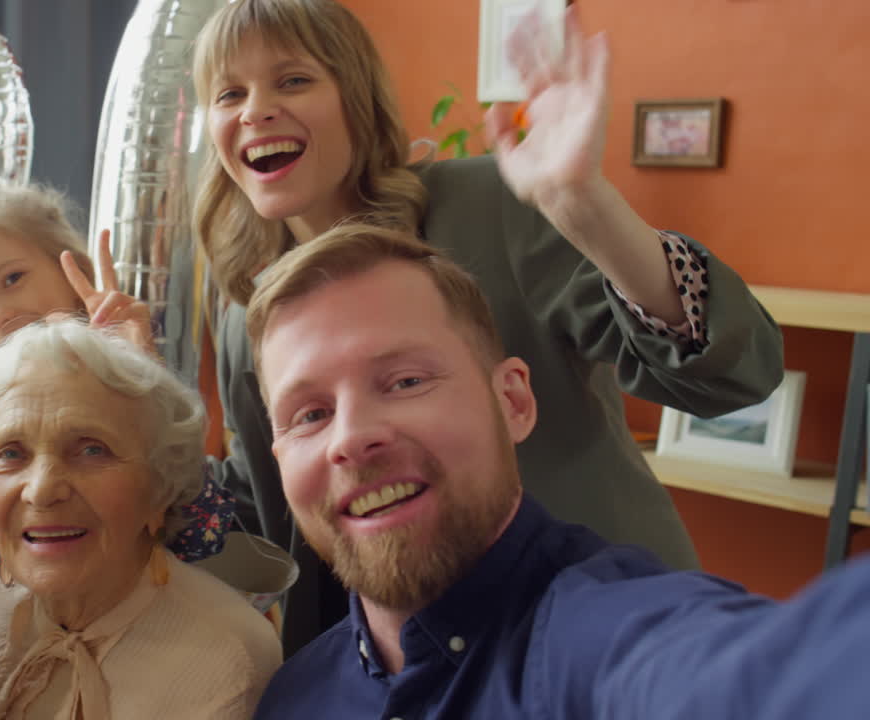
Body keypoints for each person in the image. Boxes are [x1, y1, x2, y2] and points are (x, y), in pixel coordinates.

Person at [190, 0, 784, 653]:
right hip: (391, 667)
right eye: (229, 94)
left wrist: (585, 206)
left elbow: (733, 375)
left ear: (356, 96)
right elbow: (263, 516)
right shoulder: (245, 310)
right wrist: (141, 420)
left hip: (589, 635)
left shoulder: (490, 208)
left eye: (293, 80)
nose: (254, 110)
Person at [246, 223, 870, 719]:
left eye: (406, 381)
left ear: (513, 401)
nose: (351, 438)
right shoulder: (291, 696)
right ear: (278, 458)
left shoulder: (602, 641)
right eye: (310, 414)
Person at [0, 319, 282, 718]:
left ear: (160, 486)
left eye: (91, 450)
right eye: (10, 454)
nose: (41, 489)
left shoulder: (228, 658)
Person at [0, 182, 234, 595]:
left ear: (74, 272)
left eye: (13, 278)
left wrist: (143, 386)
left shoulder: (128, 389)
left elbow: (204, 536)